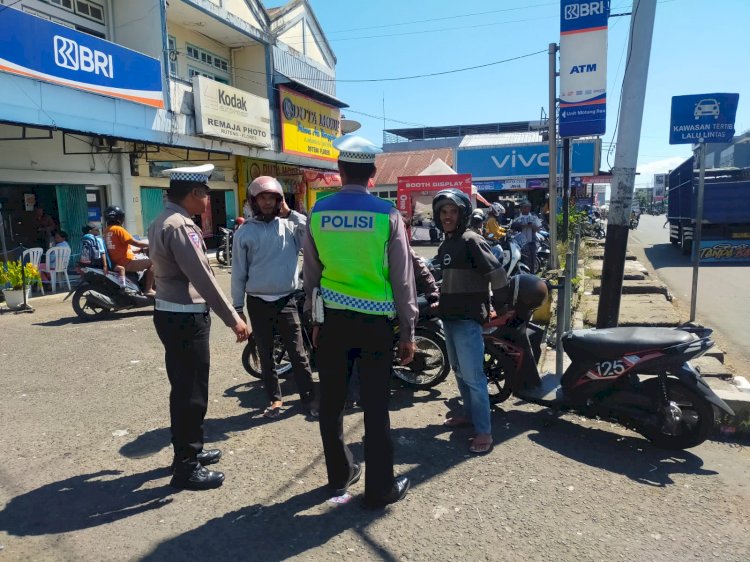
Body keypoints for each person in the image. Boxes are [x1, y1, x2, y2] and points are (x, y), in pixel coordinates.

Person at [303, 134, 417, 508]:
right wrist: (409, 329)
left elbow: (312, 273)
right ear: (373, 173)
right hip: (375, 326)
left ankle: (339, 475)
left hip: (333, 321)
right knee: (375, 407)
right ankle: (380, 488)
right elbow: (402, 279)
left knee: (332, 402)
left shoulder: (318, 212)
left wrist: (315, 319)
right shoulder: (387, 215)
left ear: (339, 170)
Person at [148, 164, 250, 491]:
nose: (208, 199)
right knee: (191, 394)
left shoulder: (162, 219)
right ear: (194, 193)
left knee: (184, 389)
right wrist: (232, 318)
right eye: (206, 192)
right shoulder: (180, 226)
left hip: (171, 313)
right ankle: (187, 467)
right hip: (185, 317)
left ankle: (191, 452)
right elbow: (203, 279)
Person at [231, 176, 318, 419]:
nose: (267, 203)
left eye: (272, 198)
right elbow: (238, 272)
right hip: (257, 302)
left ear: (279, 200)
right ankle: (274, 399)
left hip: (287, 300)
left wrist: (289, 212)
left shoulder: (290, 227)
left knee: (299, 354)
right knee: (265, 355)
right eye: (262, 198)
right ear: (254, 201)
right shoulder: (244, 233)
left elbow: (310, 229)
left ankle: (309, 400)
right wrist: (237, 309)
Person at [432, 188, 511, 455]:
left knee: (474, 377)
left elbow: (497, 273)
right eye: (443, 212)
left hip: (467, 319)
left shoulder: (470, 240)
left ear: (463, 213)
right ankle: (469, 415)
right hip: (450, 318)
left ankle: (484, 432)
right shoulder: (447, 243)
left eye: (453, 211)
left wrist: (502, 309)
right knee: (459, 373)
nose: (448, 216)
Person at [103, 206, 155, 295]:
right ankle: (148, 289)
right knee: (154, 263)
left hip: (117, 260)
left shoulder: (107, 230)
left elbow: (118, 246)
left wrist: (139, 249)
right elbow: (136, 243)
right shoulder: (119, 229)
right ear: (121, 218)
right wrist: (153, 244)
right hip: (126, 262)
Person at [511, 199, 542, 274]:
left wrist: (532, 226)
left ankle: (532, 275)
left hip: (532, 242)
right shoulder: (517, 217)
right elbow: (513, 229)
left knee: (532, 260)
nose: (525, 209)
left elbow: (538, 228)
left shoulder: (533, 217)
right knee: (522, 260)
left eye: (527, 207)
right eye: (523, 207)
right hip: (520, 244)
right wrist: (522, 226)